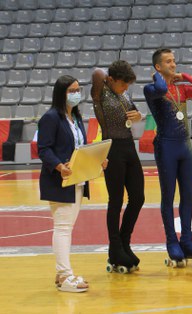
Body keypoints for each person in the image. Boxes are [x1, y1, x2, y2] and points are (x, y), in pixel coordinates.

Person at [38, 75, 107, 292]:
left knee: (67, 228)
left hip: (77, 180)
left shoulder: (75, 118)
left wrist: (97, 160)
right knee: (62, 228)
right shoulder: (51, 117)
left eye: (78, 89)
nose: (76, 94)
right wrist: (59, 166)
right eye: (71, 90)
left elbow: (81, 149)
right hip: (59, 181)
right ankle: (66, 276)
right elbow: (44, 149)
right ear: (61, 93)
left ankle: (62, 275)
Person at [143, 48, 192, 266]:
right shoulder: (151, 89)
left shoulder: (181, 89)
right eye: (168, 62)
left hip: (185, 147)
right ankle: (172, 241)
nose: (173, 65)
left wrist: (185, 77)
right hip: (166, 147)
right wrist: (158, 77)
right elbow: (162, 87)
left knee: (188, 195)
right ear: (158, 66)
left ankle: (187, 240)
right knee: (168, 195)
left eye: (174, 61)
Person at [91, 60, 145, 271]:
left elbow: (135, 112)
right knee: (116, 200)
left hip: (129, 146)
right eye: (122, 84)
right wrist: (110, 75)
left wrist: (139, 115)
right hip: (111, 148)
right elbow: (97, 71)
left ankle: (124, 242)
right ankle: (114, 248)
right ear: (111, 79)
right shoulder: (100, 93)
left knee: (138, 197)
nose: (125, 88)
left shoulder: (124, 94)